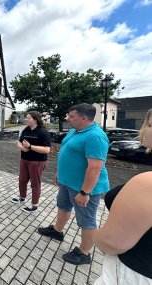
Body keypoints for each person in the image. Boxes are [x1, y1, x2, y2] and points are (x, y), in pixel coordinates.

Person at [37, 103, 110, 265]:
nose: (67, 119)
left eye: (71, 116)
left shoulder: (95, 137)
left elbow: (95, 168)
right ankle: (57, 231)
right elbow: (68, 153)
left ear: (84, 117)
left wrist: (85, 192)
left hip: (83, 188)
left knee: (87, 220)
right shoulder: (74, 131)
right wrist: (60, 173)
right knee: (63, 206)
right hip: (67, 182)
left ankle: (84, 253)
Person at [93, 109, 152, 284]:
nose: (145, 129)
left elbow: (111, 242)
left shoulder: (145, 184)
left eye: (150, 125)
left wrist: (95, 237)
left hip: (133, 273)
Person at [12, 111, 51, 212]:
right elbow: (20, 142)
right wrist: (21, 146)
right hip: (24, 159)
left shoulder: (43, 132)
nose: (26, 119)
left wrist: (30, 147)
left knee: (35, 183)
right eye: (26, 118)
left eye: (28, 118)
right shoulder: (26, 130)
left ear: (35, 119)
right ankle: (22, 197)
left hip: (37, 162)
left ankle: (34, 204)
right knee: (22, 180)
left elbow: (47, 150)